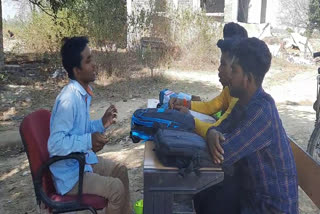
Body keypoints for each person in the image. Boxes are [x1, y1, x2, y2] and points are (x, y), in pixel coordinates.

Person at [202, 38, 298, 213]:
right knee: (205, 197)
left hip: (270, 209)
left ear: (249, 78)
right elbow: (220, 127)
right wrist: (211, 132)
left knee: (208, 199)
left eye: (234, 70)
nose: (229, 76)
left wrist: (213, 135)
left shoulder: (262, 112)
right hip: (252, 199)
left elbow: (225, 154)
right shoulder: (244, 103)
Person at [48, 36, 130, 214]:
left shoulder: (81, 94)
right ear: (77, 70)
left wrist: (101, 124)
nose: (94, 64)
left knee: (120, 171)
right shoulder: (68, 100)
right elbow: (55, 144)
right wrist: (88, 142)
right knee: (116, 189)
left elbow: (79, 132)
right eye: (88, 60)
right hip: (70, 177)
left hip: (81, 163)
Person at [170, 22, 248, 138]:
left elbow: (217, 129)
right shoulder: (229, 89)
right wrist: (184, 103)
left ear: (235, 68)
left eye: (223, 64)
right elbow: (210, 106)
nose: (218, 69)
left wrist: (190, 119)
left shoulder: (239, 98)